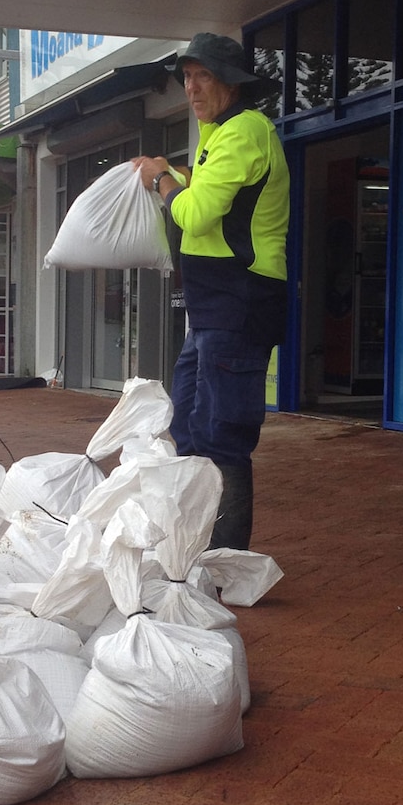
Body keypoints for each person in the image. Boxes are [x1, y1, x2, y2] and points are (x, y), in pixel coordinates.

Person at [133, 33, 290, 551]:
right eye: (187, 77)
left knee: (224, 433)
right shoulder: (217, 131)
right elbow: (205, 195)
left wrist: (162, 182)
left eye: (203, 76)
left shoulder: (244, 131)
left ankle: (224, 562)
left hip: (239, 301)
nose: (192, 88)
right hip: (212, 307)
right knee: (191, 422)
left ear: (230, 81)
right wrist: (175, 174)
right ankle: (196, 548)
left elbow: (197, 213)